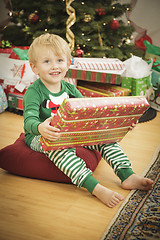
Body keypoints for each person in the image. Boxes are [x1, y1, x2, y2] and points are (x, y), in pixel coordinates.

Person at [23, 33, 154, 208]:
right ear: (34, 67)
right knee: (61, 149)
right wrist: (40, 127)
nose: (55, 66)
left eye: (60, 60)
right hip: (41, 137)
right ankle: (95, 187)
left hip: (71, 132)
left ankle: (127, 175)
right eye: (47, 62)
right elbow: (28, 122)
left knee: (107, 139)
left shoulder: (70, 88)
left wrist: (119, 123)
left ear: (68, 63)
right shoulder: (34, 91)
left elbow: (90, 111)